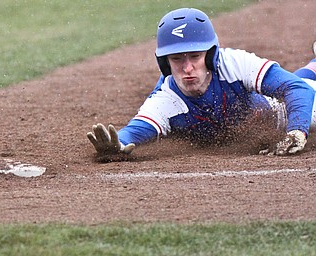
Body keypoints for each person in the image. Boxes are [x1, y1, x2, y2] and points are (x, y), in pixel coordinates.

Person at [87, 8, 316, 158]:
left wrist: (296, 131)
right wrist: (117, 145)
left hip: (277, 111)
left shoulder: (233, 63)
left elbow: (298, 89)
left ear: (210, 55)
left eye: (195, 56)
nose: (187, 68)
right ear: (164, 63)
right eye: (176, 59)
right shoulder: (167, 99)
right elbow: (135, 131)